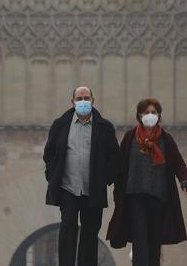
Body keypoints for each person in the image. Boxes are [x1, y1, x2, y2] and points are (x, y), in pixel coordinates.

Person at [105, 98, 187, 266]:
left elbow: (178, 163)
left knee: (154, 239)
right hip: (134, 196)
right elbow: (120, 164)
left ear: (159, 116)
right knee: (139, 237)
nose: (150, 115)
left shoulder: (166, 139)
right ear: (139, 115)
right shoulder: (130, 137)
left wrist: (185, 182)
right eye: (146, 112)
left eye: (153, 112)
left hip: (158, 197)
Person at [43, 86, 120, 266]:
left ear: (93, 101)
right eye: (79, 99)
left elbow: (114, 157)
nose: (83, 102)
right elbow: (49, 154)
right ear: (72, 102)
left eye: (86, 98)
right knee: (68, 227)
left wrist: (105, 179)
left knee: (90, 233)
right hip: (68, 188)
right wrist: (52, 175)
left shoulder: (105, 127)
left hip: (93, 190)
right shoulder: (60, 125)